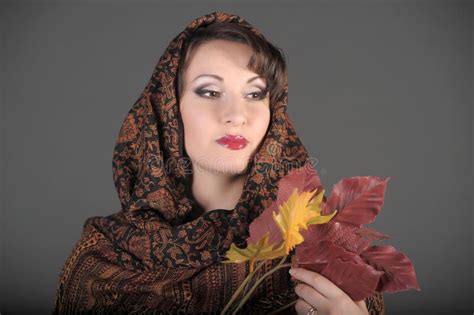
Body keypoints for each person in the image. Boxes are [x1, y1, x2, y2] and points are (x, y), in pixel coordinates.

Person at [52, 11, 385, 314]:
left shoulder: (323, 248)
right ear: (167, 111)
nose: (237, 116)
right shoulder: (103, 257)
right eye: (209, 92)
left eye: (255, 94)